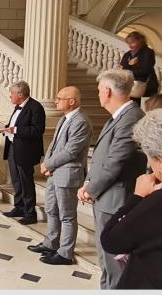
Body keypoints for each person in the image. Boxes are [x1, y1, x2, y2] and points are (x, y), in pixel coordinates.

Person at [77, 69, 147, 289]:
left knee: (114, 259)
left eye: (99, 90)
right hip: (106, 197)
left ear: (107, 91)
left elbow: (115, 161)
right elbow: (102, 158)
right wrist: (89, 182)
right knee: (105, 257)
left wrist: (90, 188)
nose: (98, 94)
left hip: (116, 199)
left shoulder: (131, 117)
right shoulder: (118, 118)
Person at [27, 87, 93, 265]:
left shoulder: (81, 121)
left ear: (72, 101)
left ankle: (65, 253)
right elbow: (54, 145)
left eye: (59, 98)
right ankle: (51, 243)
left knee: (67, 215)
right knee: (51, 210)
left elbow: (71, 151)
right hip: (54, 173)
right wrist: (46, 164)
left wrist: (48, 164)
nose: (56, 101)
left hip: (68, 175)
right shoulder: (64, 119)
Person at [100, 109, 162, 289]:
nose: (149, 165)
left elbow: (111, 239)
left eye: (150, 158)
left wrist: (137, 197)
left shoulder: (155, 204)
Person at [0, 80, 46, 225]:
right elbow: (14, 125)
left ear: (20, 94)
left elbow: (38, 130)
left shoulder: (36, 107)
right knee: (16, 180)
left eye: (12, 93)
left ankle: (30, 213)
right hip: (13, 147)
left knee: (26, 182)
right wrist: (5, 128)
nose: (10, 96)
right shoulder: (18, 106)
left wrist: (15, 130)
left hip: (26, 151)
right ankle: (19, 207)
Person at [120, 31, 159, 106]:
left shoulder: (148, 52)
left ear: (140, 41)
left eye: (133, 42)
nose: (130, 45)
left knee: (147, 110)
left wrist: (128, 68)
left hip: (147, 87)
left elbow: (145, 70)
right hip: (131, 87)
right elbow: (123, 69)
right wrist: (129, 64)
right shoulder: (127, 54)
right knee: (131, 108)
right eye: (128, 43)